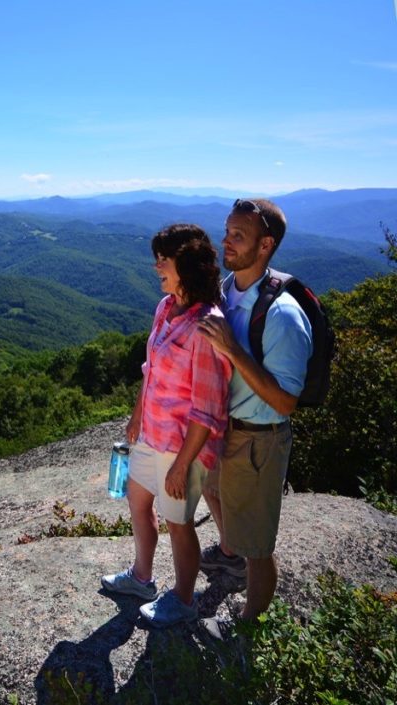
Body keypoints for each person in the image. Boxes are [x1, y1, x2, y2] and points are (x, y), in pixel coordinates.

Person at [101, 224, 231, 627]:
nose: (156, 265)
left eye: (164, 258)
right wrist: (137, 414)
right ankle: (142, 578)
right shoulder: (165, 308)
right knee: (137, 501)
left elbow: (207, 409)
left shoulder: (206, 326)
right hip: (152, 434)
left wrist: (181, 466)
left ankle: (184, 599)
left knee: (179, 524)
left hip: (181, 447)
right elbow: (151, 369)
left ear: (186, 264)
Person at [197, 198, 312, 631]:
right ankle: (230, 556)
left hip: (259, 438)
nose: (225, 241)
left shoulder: (283, 315)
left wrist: (232, 349)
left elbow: (286, 402)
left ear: (265, 246)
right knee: (213, 492)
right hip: (224, 427)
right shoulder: (229, 288)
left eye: (237, 236)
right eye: (226, 231)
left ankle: (249, 626)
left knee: (259, 545)